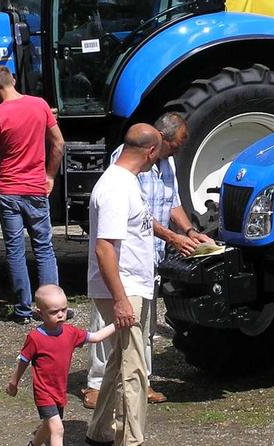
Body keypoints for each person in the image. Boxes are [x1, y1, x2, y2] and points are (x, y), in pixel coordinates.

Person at [82, 113, 214, 409]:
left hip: (148, 256)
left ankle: (142, 380)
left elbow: (173, 202)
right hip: (124, 256)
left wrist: (190, 231)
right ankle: (96, 383)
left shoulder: (166, 162)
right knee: (108, 325)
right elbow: (136, 213)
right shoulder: (130, 161)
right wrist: (172, 237)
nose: (180, 149)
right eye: (178, 144)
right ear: (159, 142)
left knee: (145, 324)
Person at [85, 124, 162, 446]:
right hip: (125, 287)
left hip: (131, 284)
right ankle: (132, 440)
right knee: (135, 368)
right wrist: (120, 300)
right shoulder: (117, 187)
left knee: (119, 361)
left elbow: (137, 226)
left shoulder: (125, 182)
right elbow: (104, 247)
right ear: (151, 152)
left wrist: (171, 235)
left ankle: (100, 430)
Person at [0, 65, 65, 323]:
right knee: (44, 248)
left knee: (16, 250)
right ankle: (53, 308)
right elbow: (58, 143)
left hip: (8, 190)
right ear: (14, 80)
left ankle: (22, 309)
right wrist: (49, 175)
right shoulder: (40, 105)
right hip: (35, 188)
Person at [7, 284, 116, 446]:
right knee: (58, 429)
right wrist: (13, 382)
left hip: (59, 390)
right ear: (40, 313)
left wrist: (117, 324)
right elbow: (23, 361)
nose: (60, 315)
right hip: (44, 392)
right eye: (53, 312)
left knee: (48, 425)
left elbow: (96, 337)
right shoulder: (35, 338)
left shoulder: (70, 332)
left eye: (63, 310)